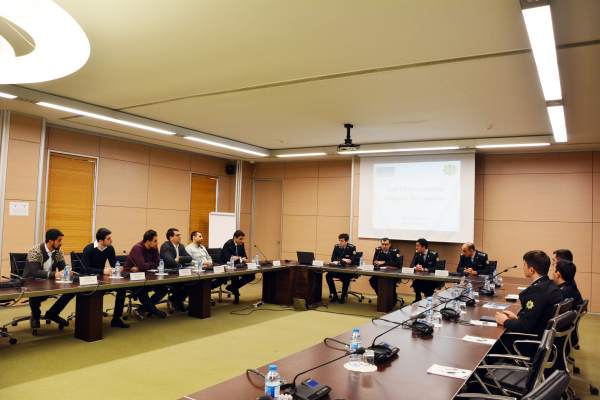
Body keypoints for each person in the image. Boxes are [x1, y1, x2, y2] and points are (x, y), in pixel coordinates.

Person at [495, 250, 562, 336]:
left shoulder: (537, 291)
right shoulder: (549, 284)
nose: (523, 267)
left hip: (532, 339)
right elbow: (534, 317)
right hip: (542, 332)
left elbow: (525, 327)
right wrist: (517, 318)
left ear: (531, 270)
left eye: (524, 264)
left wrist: (505, 321)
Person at [23, 229, 75, 329]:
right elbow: (35, 272)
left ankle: (53, 313)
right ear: (51, 241)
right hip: (32, 281)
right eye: (59, 240)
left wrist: (67, 271)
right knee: (36, 292)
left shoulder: (58, 251)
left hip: (49, 281)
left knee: (71, 291)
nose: (61, 243)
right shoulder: (35, 251)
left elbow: (62, 267)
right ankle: (35, 316)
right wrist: (55, 274)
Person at [81, 228, 129, 328]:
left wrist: (118, 268)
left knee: (122, 288)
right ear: (100, 241)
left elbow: (113, 264)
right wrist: (102, 271)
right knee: (97, 292)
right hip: (90, 280)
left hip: (103, 279)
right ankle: (91, 320)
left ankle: (116, 319)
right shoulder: (89, 249)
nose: (111, 240)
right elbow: (85, 269)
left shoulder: (109, 248)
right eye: (108, 238)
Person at [124, 230, 167, 318]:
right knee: (142, 290)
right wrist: (149, 265)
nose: (157, 243)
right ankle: (154, 311)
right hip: (131, 277)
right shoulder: (137, 248)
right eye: (155, 241)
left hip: (147, 275)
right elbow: (142, 266)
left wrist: (146, 265)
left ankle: (142, 309)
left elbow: (157, 263)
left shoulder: (154, 247)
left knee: (163, 289)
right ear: (148, 241)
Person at [159, 228, 192, 312]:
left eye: (180, 235)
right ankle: (177, 301)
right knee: (182, 284)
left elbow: (189, 258)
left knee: (193, 283)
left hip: (179, 272)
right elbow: (170, 261)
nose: (180, 237)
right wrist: (179, 264)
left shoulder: (181, 246)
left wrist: (179, 258)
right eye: (177, 235)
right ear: (171, 238)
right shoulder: (165, 246)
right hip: (169, 274)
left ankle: (176, 300)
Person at [221, 230, 252, 304]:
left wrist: (244, 259)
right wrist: (239, 258)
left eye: (243, 239)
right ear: (235, 237)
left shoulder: (241, 244)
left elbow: (244, 256)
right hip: (228, 265)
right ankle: (236, 296)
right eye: (240, 239)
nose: (242, 241)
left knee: (251, 276)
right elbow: (228, 258)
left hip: (239, 265)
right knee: (235, 276)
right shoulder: (228, 244)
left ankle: (232, 287)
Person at [325, 233, 358, 304]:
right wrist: (343, 259)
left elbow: (353, 260)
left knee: (346, 277)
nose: (340, 242)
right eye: (339, 240)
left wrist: (342, 260)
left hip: (347, 271)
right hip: (337, 269)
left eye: (342, 241)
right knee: (328, 275)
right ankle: (334, 295)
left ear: (346, 241)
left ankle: (343, 297)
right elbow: (333, 258)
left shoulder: (352, 247)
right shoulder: (336, 247)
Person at [368, 238, 402, 306]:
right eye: (382, 244)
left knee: (391, 284)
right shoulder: (378, 250)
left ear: (389, 245)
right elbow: (374, 262)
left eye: (386, 244)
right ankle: (381, 296)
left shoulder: (395, 251)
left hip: (392, 274)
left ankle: (393, 301)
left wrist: (384, 262)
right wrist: (377, 263)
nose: (384, 246)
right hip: (380, 274)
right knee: (372, 281)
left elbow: (397, 264)